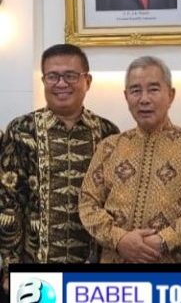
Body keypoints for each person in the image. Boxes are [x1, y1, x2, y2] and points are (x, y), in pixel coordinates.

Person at [79, 56, 181, 263]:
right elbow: (87, 203)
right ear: (126, 96)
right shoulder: (108, 148)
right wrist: (120, 239)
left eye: (153, 89)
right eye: (135, 90)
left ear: (171, 95)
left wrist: (165, 240)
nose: (144, 99)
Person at [0, 44, 119, 290]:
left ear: (87, 81)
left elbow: (116, 202)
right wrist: (10, 268)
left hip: (94, 268)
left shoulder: (108, 133)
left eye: (70, 75)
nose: (61, 83)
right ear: (44, 81)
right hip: (35, 270)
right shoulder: (21, 130)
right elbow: (9, 203)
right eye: (52, 76)